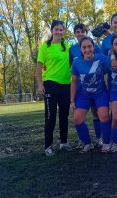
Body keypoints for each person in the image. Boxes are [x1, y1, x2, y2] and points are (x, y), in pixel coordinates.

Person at [36, 20, 72, 156]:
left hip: (65, 85)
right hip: (50, 84)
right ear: (52, 31)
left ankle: (64, 142)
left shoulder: (67, 46)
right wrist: (40, 84)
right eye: (56, 29)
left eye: (61, 29)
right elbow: (39, 68)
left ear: (64, 31)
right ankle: (48, 146)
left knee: (64, 115)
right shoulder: (45, 47)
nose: (59, 32)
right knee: (50, 117)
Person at [71, 37, 111, 153]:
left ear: (94, 47)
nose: (87, 49)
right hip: (84, 95)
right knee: (77, 119)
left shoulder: (101, 58)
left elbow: (114, 65)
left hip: (100, 93)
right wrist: (72, 100)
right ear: (80, 49)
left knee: (103, 116)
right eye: (84, 47)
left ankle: (106, 142)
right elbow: (73, 81)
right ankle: (88, 144)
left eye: (89, 46)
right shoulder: (77, 62)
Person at [69, 23, 103, 146]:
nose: (80, 34)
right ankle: (82, 140)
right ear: (75, 34)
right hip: (80, 87)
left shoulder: (95, 47)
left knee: (96, 112)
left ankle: (100, 137)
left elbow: (101, 63)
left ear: (86, 33)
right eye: (77, 32)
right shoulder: (72, 49)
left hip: (95, 85)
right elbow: (72, 70)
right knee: (77, 115)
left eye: (83, 32)